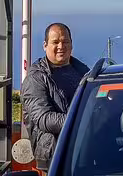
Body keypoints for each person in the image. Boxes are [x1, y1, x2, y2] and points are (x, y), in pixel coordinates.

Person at [21, 23, 90, 172]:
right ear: (45, 45)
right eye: (55, 42)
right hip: (54, 158)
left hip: (82, 152)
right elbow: (43, 119)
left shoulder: (83, 72)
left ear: (71, 45)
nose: (61, 46)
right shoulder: (36, 78)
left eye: (65, 42)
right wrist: (82, 121)